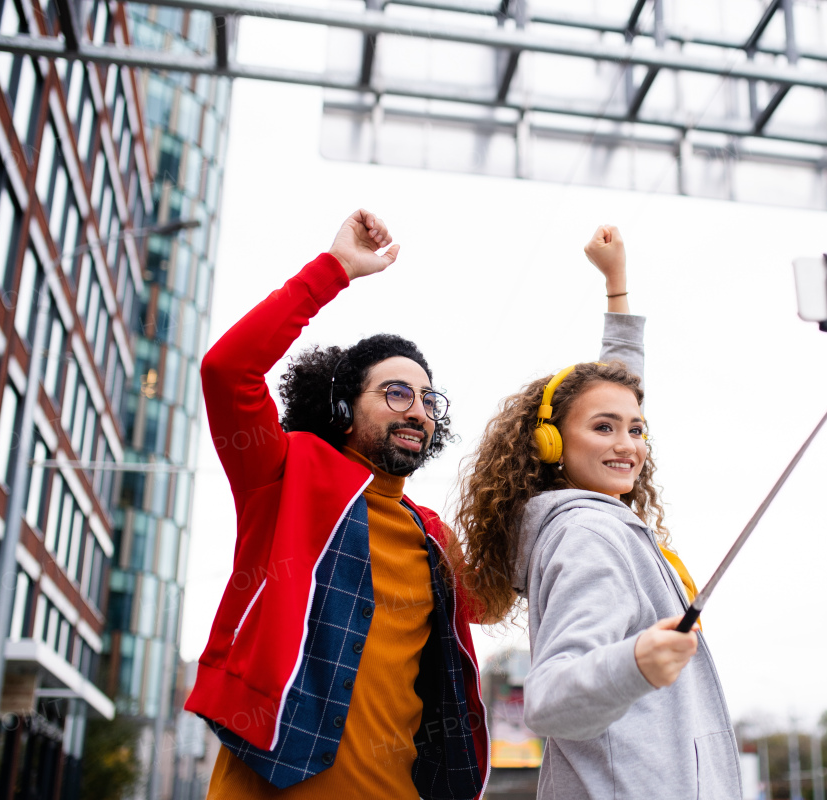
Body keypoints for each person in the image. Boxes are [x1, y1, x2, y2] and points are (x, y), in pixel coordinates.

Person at [185, 210, 644, 800]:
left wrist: (616, 298)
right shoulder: (284, 474)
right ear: (345, 409)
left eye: (428, 399)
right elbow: (227, 371)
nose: (418, 410)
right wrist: (335, 270)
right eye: (396, 392)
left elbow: (595, 458)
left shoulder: (433, 539)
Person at [457, 227, 743, 799]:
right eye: (604, 430)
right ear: (551, 444)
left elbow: (615, 389)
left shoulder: (595, 514)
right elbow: (552, 698)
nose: (628, 445)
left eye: (636, 429)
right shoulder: (589, 535)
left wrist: (617, 288)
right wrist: (634, 662)